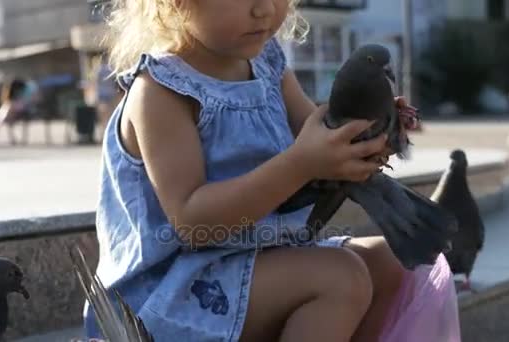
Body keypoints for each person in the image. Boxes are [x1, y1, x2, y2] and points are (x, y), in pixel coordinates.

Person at [83, 1, 458, 342]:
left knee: (393, 264)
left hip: (253, 261)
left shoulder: (268, 64)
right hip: (164, 296)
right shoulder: (162, 92)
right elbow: (193, 222)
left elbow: (315, 132)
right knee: (340, 277)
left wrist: (364, 132)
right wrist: (299, 164)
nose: (265, 9)